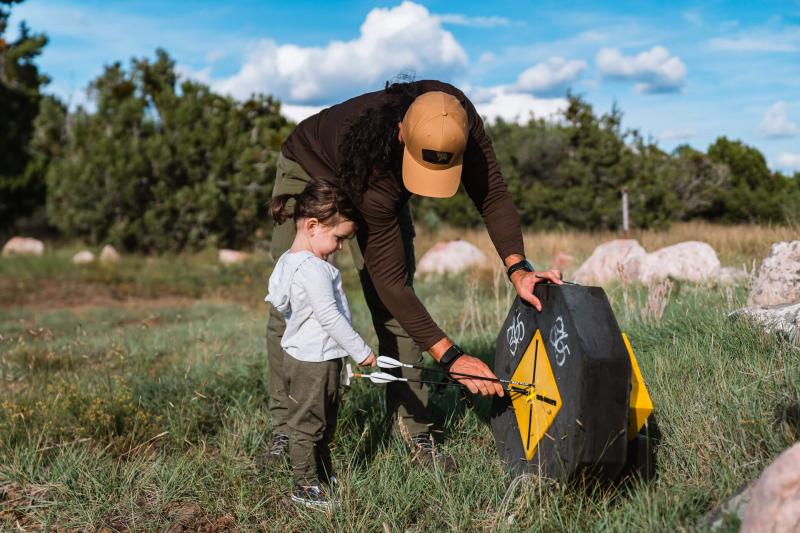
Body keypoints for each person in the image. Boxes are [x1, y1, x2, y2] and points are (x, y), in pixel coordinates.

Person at [265, 79, 562, 469]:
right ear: (402, 132)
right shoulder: (376, 167)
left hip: (380, 179)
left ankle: (414, 432)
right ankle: (287, 427)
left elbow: (491, 193)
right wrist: (451, 356)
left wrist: (518, 268)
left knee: (398, 317)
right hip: (312, 167)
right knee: (295, 301)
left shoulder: (458, 121)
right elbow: (390, 283)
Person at [265, 179, 377, 509]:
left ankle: (322, 475)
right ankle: (305, 487)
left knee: (321, 421)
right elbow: (329, 316)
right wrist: (361, 351)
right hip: (314, 361)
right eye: (339, 237)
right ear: (313, 226)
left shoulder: (288, 260)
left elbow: (278, 299)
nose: (341, 246)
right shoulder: (314, 269)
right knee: (308, 427)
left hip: (309, 356)